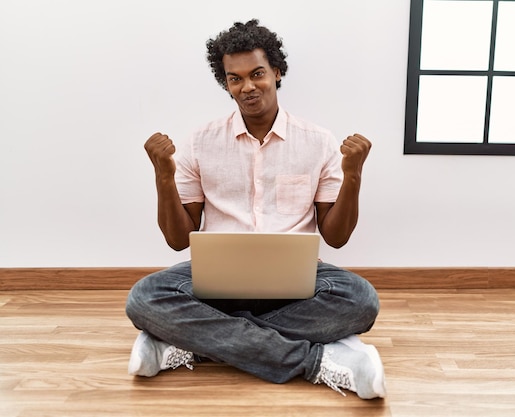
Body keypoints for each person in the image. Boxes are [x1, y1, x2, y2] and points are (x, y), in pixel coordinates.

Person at [125, 19, 386, 400]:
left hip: (295, 283)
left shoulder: (317, 142)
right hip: (217, 283)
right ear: (226, 84)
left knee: (360, 301)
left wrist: (353, 176)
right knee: (145, 298)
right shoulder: (200, 142)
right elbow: (178, 240)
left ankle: (190, 343)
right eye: (235, 79)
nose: (247, 87)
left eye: (257, 74)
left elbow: (336, 236)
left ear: (277, 72)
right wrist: (163, 177)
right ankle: (319, 360)